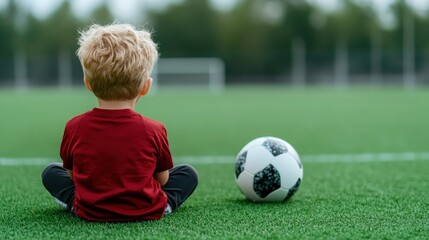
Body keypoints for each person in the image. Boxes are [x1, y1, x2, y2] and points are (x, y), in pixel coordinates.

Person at [41, 23, 198, 222]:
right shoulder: (155, 129)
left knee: (51, 172)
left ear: (87, 83)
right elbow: (163, 179)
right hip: (146, 208)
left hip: (89, 210)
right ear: (146, 87)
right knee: (187, 174)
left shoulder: (74, 126)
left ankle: (76, 206)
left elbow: (72, 176)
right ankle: (164, 206)